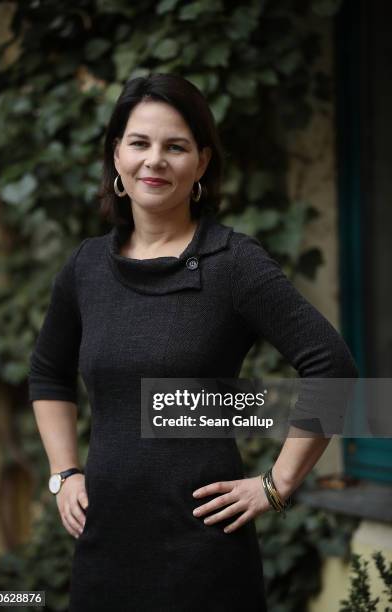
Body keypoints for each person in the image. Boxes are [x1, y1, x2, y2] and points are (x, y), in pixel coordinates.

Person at [28, 73, 358, 612]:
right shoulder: (86, 267)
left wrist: (277, 484)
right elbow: (47, 374)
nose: (154, 160)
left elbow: (334, 368)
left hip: (203, 556)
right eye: (139, 143)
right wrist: (64, 474)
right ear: (116, 155)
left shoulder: (234, 265)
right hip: (104, 550)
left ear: (201, 163)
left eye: (175, 147)